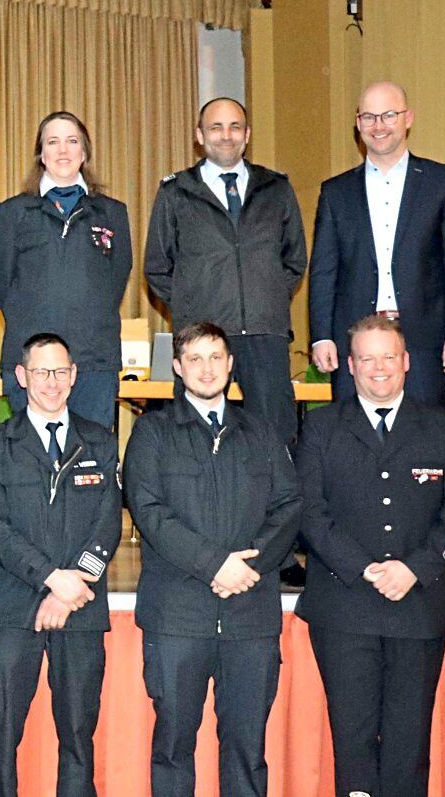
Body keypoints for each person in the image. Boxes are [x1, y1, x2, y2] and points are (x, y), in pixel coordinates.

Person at [295, 314, 445, 797]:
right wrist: (364, 568)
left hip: (418, 608)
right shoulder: (322, 426)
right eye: (367, 358)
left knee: (407, 749)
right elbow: (311, 511)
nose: (379, 369)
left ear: (407, 362)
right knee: (351, 746)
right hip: (344, 606)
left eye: (388, 357)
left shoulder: (443, 427)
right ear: (349, 366)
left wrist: (414, 569)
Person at [123, 321, 302, 797]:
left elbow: (289, 505)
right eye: (195, 359)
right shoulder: (152, 432)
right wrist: (215, 565)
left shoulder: (261, 431)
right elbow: (149, 511)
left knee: (247, 751)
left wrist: (250, 567)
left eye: (216, 357)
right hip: (177, 616)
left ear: (230, 363)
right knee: (173, 749)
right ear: (178, 368)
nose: (207, 368)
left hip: (249, 616)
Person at [0, 333, 121, 797]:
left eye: (60, 371)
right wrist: (51, 579)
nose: (51, 382)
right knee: (2, 732)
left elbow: (108, 523)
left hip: (80, 609)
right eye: (41, 371)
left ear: (75, 376)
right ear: (20, 377)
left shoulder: (99, 439)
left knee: (78, 735)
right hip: (14, 609)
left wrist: (72, 585)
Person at [146, 97, 307, 443]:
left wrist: (266, 294)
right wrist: (193, 305)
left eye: (235, 126)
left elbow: (294, 261)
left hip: (266, 335)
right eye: (216, 127)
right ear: (200, 136)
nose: (226, 135)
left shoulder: (276, 189)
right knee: (196, 438)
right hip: (202, 338)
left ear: (247, 134)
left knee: (273, 439)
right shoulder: (176, 192)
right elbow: (157, 267)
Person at [308, 81, 445, 407]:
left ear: (408, 118)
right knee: (355, 443)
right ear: (358, 124)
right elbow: (324, 270)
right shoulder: (335, 192)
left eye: (388, 115)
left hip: (426, 342)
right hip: (355, 343)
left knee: (425, 441)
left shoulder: (443, 182)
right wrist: (322, 336)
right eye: (369, 117)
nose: (379, 126)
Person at [0, 111, 134, 429]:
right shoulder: (13, 213)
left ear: (84, 152)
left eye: (72, 141)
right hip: (31, 362)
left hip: (93, 362)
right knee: (31, 462)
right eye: (52, 142)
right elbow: (1, 280)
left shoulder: (112, 213)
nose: (63, 150)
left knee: (91, 465)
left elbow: (116, 281)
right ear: (41, 154)